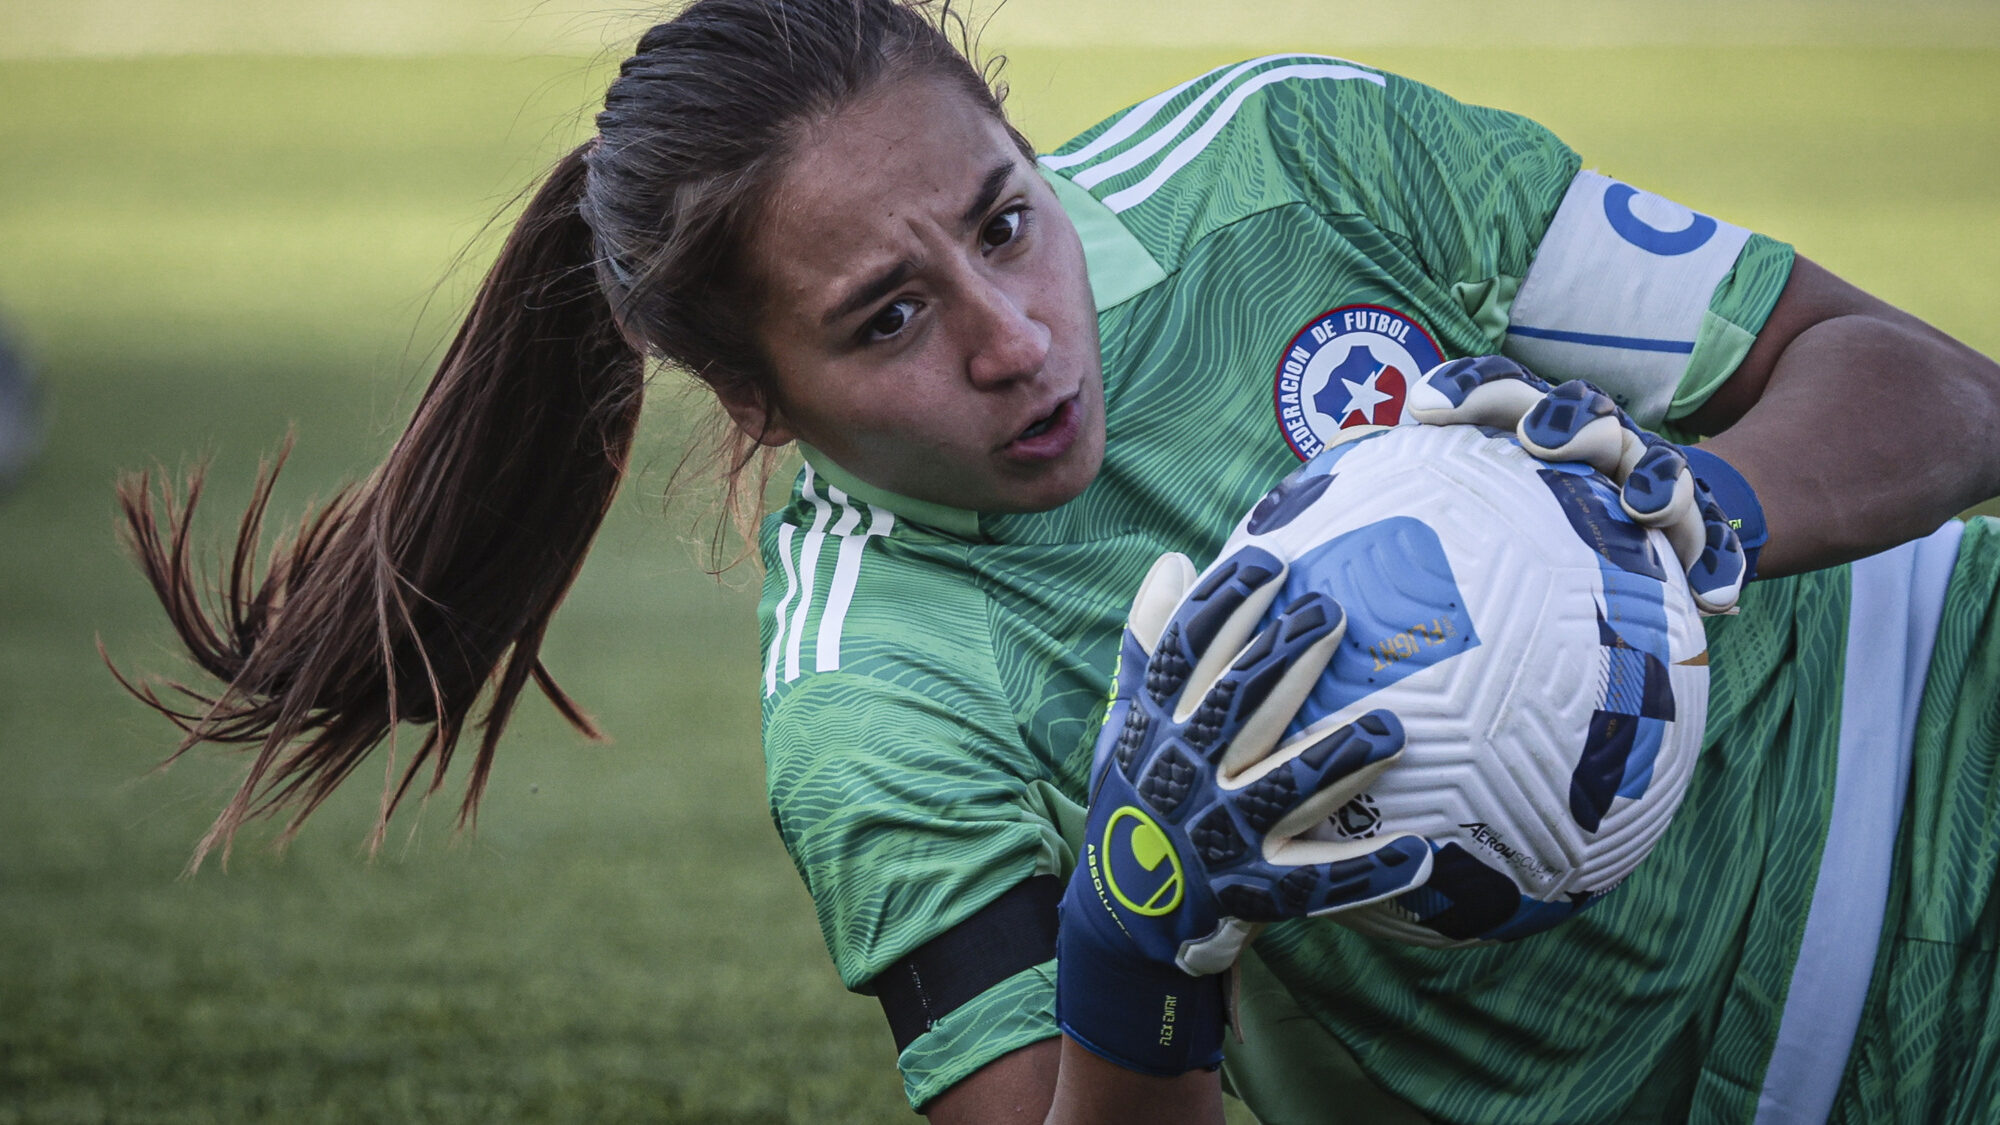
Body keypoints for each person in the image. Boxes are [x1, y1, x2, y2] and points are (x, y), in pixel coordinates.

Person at [113, 1, 2000, 1122]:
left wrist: (1694, 518)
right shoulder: (875, 698)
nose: (1015, 334)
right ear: (756, 403)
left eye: (1008, 220)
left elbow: (1935, 389)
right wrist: (1137, 935)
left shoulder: (1292, 158)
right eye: (885, 322)